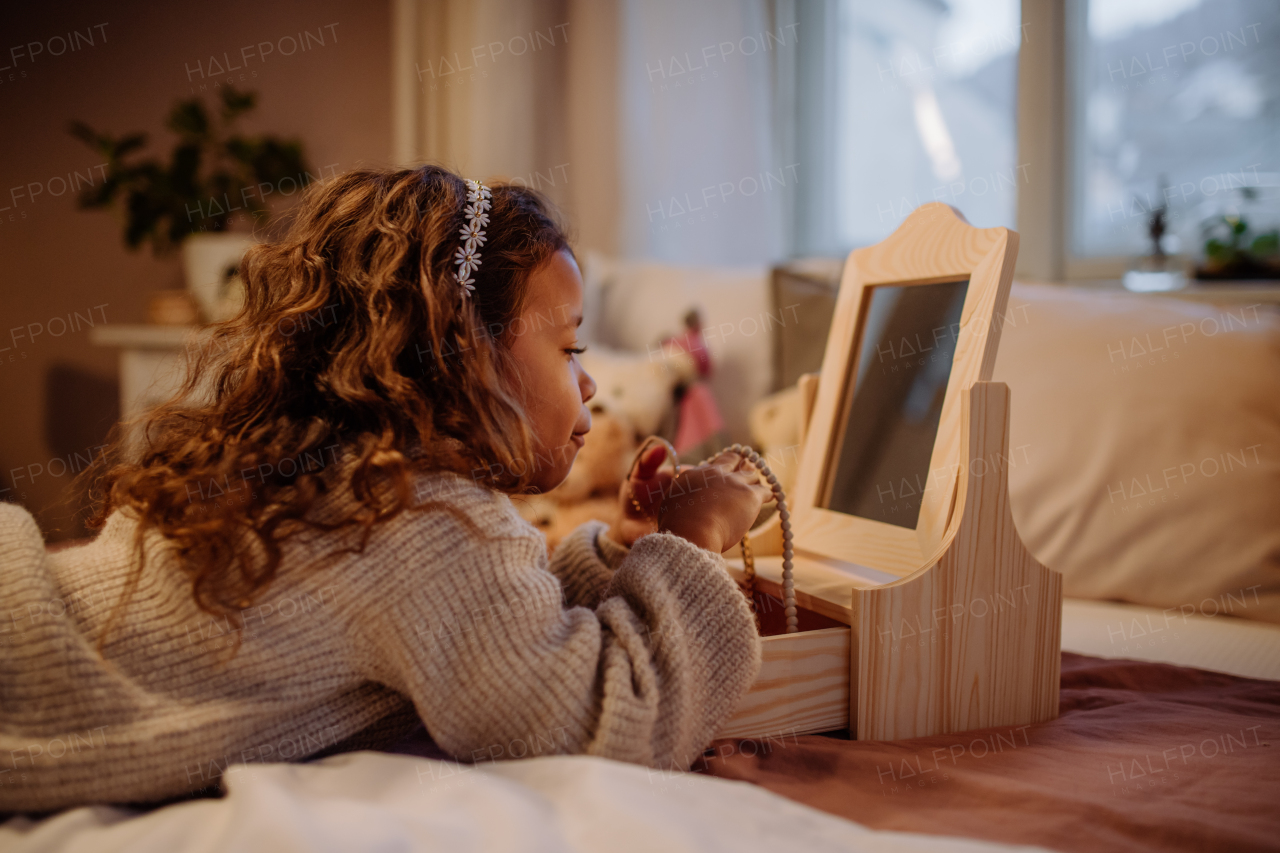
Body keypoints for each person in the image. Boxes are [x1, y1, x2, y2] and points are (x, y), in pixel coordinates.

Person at [0, 166, 771, 813]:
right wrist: (689, 543)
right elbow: (607, 724)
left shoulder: (361, 479)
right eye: (569, 346)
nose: (591, 380)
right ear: (461, 349)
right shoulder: (428, 520)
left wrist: (625, 547)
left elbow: (491, 633)